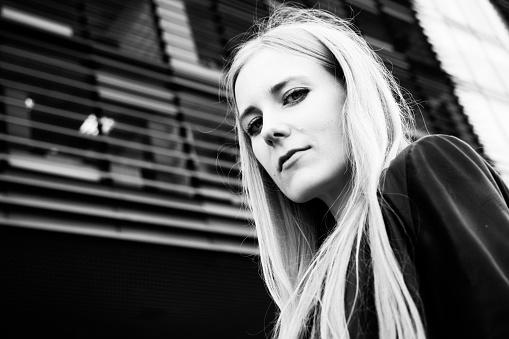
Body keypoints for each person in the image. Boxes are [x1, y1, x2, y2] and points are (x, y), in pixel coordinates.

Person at [222, 6, 509, 339]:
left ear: (351, 93)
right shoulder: (308, 304)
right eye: (253, 125)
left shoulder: (426, 169)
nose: (269, 130)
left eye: (293, 96)